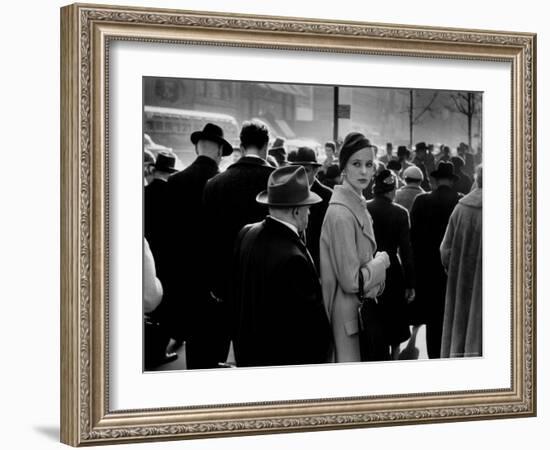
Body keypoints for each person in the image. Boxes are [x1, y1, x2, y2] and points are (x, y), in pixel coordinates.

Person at [233, 166, 331, 367]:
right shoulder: (293, 258)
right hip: (281, 362)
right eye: (307, 207)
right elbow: (309, 327)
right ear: (296, 211)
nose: (310, 212)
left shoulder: (246, 233)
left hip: (247, 354)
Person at [203, 119, 275, 362]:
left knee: (220, 356)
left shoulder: (214, 184)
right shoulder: (277, 182)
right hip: (266, 286)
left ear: (241, 147)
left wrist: (215, 285)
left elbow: (209, 240)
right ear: (266, 146)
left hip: (226, 285)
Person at [164, 122, 232, 369]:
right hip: (216, 286)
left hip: (185, 284)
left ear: (196, 149)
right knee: (216, 353)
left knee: (193, 355)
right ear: (219, 152)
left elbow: (168, 240)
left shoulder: (174, 181)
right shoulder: (223, 182)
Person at [320, 132, 390, 363]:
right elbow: (351, 281)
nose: (363, 171)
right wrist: (381, 263)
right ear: (344, 167)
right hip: (348, 319)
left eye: (369, 165)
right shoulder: (341, 212)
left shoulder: (355, 204)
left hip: (358, 315)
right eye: (356, 164)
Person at [409, 161, 462, 359]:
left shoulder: (421, 201)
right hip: (453, 270)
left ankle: (434, 358)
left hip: (427, 271)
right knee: (452, 318)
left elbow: (412, 237)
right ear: (452, 180)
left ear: (435, 180)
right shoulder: (460, 202)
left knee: (433, 320)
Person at [367, 170, 415, 360]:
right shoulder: (400, 213)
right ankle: (394, 354)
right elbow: (406, 250)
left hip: (369, 266)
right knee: (395, 316)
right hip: (393, 270)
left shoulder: (364, 208)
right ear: (392, 190)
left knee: (375, 314)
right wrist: (411, 283)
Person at [440, 165, 483, 358]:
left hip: (462, 283)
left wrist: (454, 268)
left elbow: (445, 250)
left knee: (460, 329)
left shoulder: (461, 208)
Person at [288, 147, 332, 271]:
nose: (300, 175)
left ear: (315, 171)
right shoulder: (288, 193)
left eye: (305, 170)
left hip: (318, 265)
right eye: (297, 170)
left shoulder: (328, 196)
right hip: (292, 262)